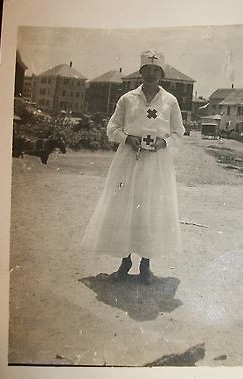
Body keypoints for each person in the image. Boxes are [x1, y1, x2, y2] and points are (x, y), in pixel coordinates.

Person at [81, 50, 185, 284]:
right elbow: (112, 129)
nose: (151, 74)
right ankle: (125, 260)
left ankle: (146, 264)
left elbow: (179, 133)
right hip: (129, 159)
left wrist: (163, 142)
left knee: (150, 210)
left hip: (156, 163)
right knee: (124, 208)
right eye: (146, 70)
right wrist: (127, 138)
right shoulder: (128, 98)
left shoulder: (170, 101)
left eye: (155, 71)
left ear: (161, 74)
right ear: (140, 73)